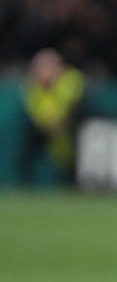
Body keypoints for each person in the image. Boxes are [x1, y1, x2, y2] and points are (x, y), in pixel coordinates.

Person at [20, 48, 84, 185]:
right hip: (51, 153)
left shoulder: (70, 80)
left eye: (47, 66)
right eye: (39, 67)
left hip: (79, 148)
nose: (43, 71)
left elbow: (59, 119)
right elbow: (49, 122)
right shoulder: (33, 90)